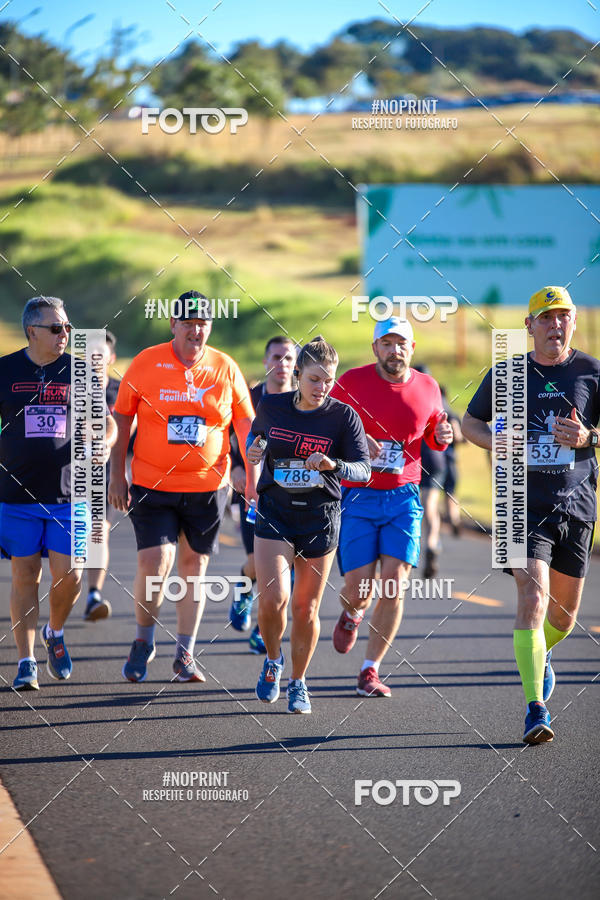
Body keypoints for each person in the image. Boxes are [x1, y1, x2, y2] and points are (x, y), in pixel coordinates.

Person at [462, 286, 600, 744]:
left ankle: (541, 654)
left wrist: (588, 438)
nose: (554, 325)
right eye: (545, 317)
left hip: (577, 506)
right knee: (533, 596)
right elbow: (471, 422)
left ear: (573, 324)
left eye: (562, 317)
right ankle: (534, 709)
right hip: (519, 503)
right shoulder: (507, 373)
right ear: (529, 326)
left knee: (562, 618)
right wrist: (494, 440)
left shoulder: (591, 373)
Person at [109, 290, 258, 684]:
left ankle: (185, 653)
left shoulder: (225, 367)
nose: (196, 330)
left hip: (208, 486)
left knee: (194, 568)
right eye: (188, 322)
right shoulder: (146, 363)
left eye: (202, 323)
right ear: (172, 324)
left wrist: (253, 476)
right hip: (151, 482)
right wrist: (116, 474)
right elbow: (122, 419)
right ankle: (144, 640)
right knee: (155, 563)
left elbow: (245, 425)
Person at [329, 317, 453, 697]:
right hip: (360, 495)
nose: (394, 350)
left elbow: (435, 432)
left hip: (404, 497)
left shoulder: (429, 387)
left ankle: (371, 670)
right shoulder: (351, 382)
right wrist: (356, 441)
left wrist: (443, 435)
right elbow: (324, 424)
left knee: (394, 586)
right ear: (375, 348)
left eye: (401, 343)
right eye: (386, 343)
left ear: (412, 349)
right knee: (359, 588)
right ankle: (352, 612)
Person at [246, 336, 370, 714]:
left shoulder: (343, 417)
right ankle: (272, 660)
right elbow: (256, 437)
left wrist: (334, 465)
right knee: (274, 599)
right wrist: (252, 448)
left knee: (305, 609)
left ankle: (298, 682)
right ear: (298, 375)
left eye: (329, 380)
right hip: (276, 511)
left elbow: (364, 470)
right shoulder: (272, 405)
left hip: (319, 517)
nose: (322, 388)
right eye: (315, 379)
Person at [0, 296, 116, 690]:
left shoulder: (79, 372)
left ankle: (55, 630)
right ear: (31, 331)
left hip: (69, 495)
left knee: (72, 574)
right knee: (25, 576)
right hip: (16, 497)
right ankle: (27, 661)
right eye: (54, 328)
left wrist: (105, 444)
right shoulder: (6, 370)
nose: (64, 334)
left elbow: (108, 424)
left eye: (66, 327)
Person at [228, 336, 296, 653]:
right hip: (254, 494)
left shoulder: (304, 401)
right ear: (266, 361)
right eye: (276, 357)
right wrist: (236, 468)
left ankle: (262, 629)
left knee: (286, 568)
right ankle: (243, 591)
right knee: (257, 562)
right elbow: (228, 437)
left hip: (292, 495)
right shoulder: (250, 398)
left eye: (288, 358)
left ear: (296, 366)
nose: (282, 365)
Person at [83, 330, 120, 621]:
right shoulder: (71, 388)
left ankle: (94, 594)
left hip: (103, 474)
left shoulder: (121, 392)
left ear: (111, 359)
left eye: (101, 356)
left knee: (98, 532)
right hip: (63, 472)